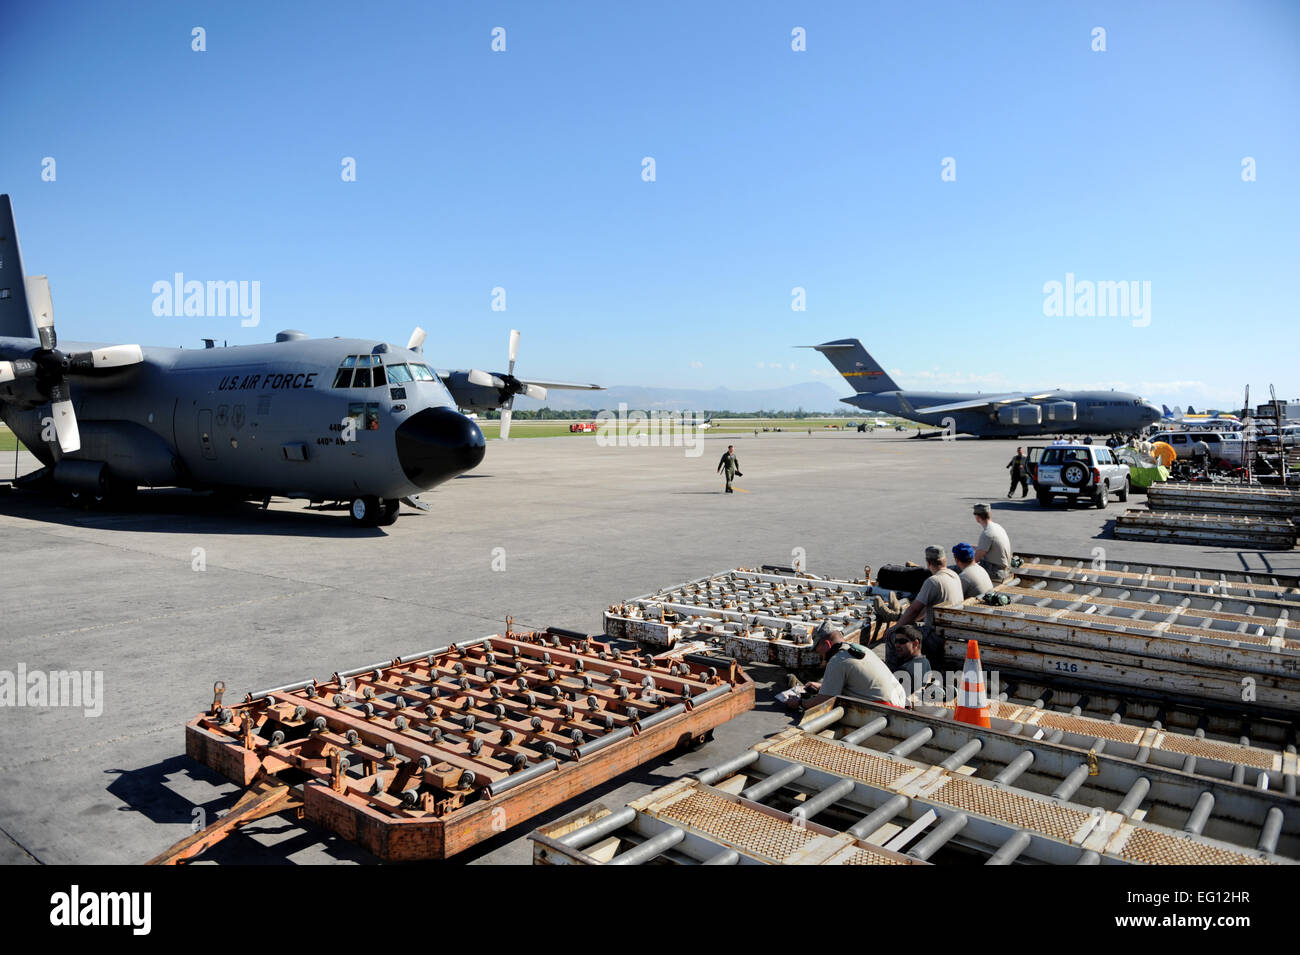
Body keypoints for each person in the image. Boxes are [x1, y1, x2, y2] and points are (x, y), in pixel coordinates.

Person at [787, 627, 906, 711]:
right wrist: (823, 687)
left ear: (827, 644)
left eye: (819, 652)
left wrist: (799, 703)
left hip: (886, 709)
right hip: (901, 700)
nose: (821, 657)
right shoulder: (861, 649)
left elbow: (825, 701)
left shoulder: (837, 660)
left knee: (829, 710)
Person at [889, 545, 964, 672]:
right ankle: (896, 614)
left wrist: (895, 628)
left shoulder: (933, 581)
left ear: (928, 563)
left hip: (936, 634)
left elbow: (914, 609)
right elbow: (927, 608)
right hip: (952, 630)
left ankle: (894, 673)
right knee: (908, 624)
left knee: (895, 638)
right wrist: (911, 621)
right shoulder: (954, 575)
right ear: (944, 560)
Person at [972, 503, 1012, 583]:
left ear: (978, 517)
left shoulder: (987, 533)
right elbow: (992, 547)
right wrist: (974, 547)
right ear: (989, 514)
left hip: (996, 572)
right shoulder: (997, 527)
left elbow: (975, 560)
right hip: (1004, 568)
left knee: (960, 570)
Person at [889, 625, 931, 700]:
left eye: (902, 641)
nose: (897, 645)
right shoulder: (926, 662)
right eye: (896, 641)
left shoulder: (904, 670)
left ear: (915, 643)